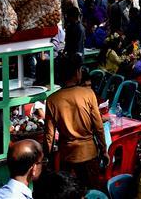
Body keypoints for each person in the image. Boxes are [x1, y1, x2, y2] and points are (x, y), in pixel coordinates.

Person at [43, 53, 106, 189]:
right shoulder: (88, 94)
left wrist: (46, 158)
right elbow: (99, 127)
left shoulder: (52, 100)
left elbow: (49, 136)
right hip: (89, 153)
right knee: (92, 192)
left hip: (67, 156)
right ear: (77, 72)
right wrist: (104, 149)